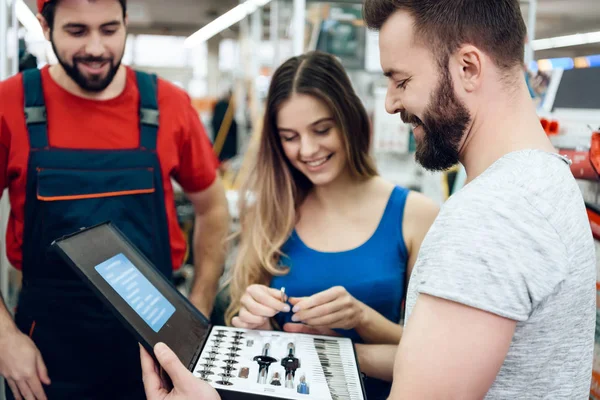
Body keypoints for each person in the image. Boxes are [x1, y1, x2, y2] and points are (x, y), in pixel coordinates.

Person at [139, 0, 596, 399]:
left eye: (401, 80)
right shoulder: (547, 181)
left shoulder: (487, 218)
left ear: (468, 67)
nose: (392, 104)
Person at [0, 0, 229, 399]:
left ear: (126, 22)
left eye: (109, 29)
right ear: (44, 25)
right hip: (45, 346)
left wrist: (200, 307)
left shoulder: (167, 105)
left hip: (158, 347)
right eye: (77, 31)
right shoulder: (10, 105)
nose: (96, 48)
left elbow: (212, 207)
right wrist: (3, 338)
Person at [224, 50, 437, 399]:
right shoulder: (273, 212)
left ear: (350, 121)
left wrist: (361, 318)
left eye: (321, 130)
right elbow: (261, 351)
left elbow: (436, 355)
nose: (307, 149)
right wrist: (257, 324)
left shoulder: (415, 215)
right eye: (290, 137)